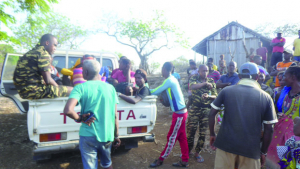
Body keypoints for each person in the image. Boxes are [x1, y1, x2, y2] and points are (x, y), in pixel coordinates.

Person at [209, 62, 277, 169]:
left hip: (225, 144)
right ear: (257, 76)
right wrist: (263, 152)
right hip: (250, 149)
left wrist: (212, 134)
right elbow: (269, 129)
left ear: (239, 76)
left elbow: (212, 113)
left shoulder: (226, 91)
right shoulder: (266, 97)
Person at [63, 59, 121, 169]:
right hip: (107, 135)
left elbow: (68, 110)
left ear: (85, 72)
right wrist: (116, 135)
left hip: (88, 135)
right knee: (107, 163)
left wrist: (79, 118)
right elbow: (115, 115)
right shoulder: (110, 88)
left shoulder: (80, 88)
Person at [149, 62, 189, 168]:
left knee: (171, 137)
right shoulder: (173, 79)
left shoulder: (169, 80)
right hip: (181, 113)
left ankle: (161, 159)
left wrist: (146, 90)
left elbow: (155, 91)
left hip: (179, 114)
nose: (161, 72)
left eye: (162, 69)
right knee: (181, 137)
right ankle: (185, 160)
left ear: (166, 69)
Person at [13, 34, 73, 99]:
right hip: (34, 91)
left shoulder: (31, 52)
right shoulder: (43, 54)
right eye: (55, 45)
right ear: (47, 43)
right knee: (74, 90)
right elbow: (48, 80)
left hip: (23, 91)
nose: (55, 48)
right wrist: (60, 89)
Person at [267, 66, 300, 167]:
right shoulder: (285, 93)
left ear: (293, 78)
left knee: (290, 163)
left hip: (295, 138)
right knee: (280, 162)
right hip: (280, 135)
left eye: (285, 76)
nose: (282, 78)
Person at [187, 64, 217, 163]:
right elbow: (193, 87)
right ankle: (188, 151)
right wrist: (204, 84)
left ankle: (197, 152)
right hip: (194, 109)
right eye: (203, 71)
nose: (205, 72)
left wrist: (208, 96)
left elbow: (215, 95)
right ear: (199, 71)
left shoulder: (211, 81)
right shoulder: (194, 78)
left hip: (205, 111)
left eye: (207, 70)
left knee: (202, 133)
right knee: (191, 131)